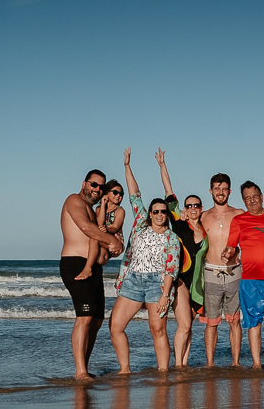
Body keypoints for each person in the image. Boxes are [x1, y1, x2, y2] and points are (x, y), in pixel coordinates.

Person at [108, 148, 182, 374]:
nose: (160, 214)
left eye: (163, 212)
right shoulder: (140, 223)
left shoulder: (171, 238)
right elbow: (134, 194)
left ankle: (162, 372)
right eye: (156, 211)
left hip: (156, 285)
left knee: (157, 329)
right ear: (149, 213)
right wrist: (127, 166)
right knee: (116, 327)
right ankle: (125, 370)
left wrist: (164, 295)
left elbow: (171, 268)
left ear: (167, 215)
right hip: (131, 281)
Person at [61, 168, 124, 379]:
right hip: (74, 263)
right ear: (84, 183)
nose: (97, 189)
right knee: (85, 317)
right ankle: (80, 372)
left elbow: (99, 238)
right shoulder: (74, 201)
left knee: (96, 320)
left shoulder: (96, 211)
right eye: (93, 184)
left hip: (94, 267)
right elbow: (86, 228)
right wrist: (112, 241)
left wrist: (113, 248)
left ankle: (84, 367)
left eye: (101, 186)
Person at [225, 181, 264, 369]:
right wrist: (227, 254)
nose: (252, 201)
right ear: (244, 201)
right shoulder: (239, 221)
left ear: (261, 196)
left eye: (255, 196)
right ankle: (257, 364)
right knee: (254, 323)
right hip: (251, 280)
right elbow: (231, 247)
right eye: (247, 198)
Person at [155, 148, 207, 368]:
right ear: (184, 208)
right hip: (180, 279)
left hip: (199, 283)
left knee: (190, 325)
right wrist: (162, 165)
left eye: (196, 205)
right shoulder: (178, 222)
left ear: (201, 208)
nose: (192, 208)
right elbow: (169, 190)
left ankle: (184, 363)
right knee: (184, 324)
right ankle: (177, 365)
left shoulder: (207, 227)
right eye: (189, 205)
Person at [199, 172, 245, 367]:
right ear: (210, 191)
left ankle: (235, 363)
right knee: (211, 322)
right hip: (210, 272)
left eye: (224, 188)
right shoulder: (203, 216)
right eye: (217, 188)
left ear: (230, 191)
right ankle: (210, 364)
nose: (221, 192)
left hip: (234, 271)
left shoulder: (239, 214)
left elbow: (257, 230)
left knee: (234, 321)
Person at [76, 178, 127, 278]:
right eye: (115, 192)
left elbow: (115, 227)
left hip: (116, 240)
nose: (118, 196)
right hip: (104, 239)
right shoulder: (99, 209)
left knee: (94, 239)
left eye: (121, 194)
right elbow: (100, 223)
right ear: (106, 193)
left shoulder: (120, 210)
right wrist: (103, 204)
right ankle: (92, 269)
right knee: (99, 257)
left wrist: (107, 230)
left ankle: (87, 269)